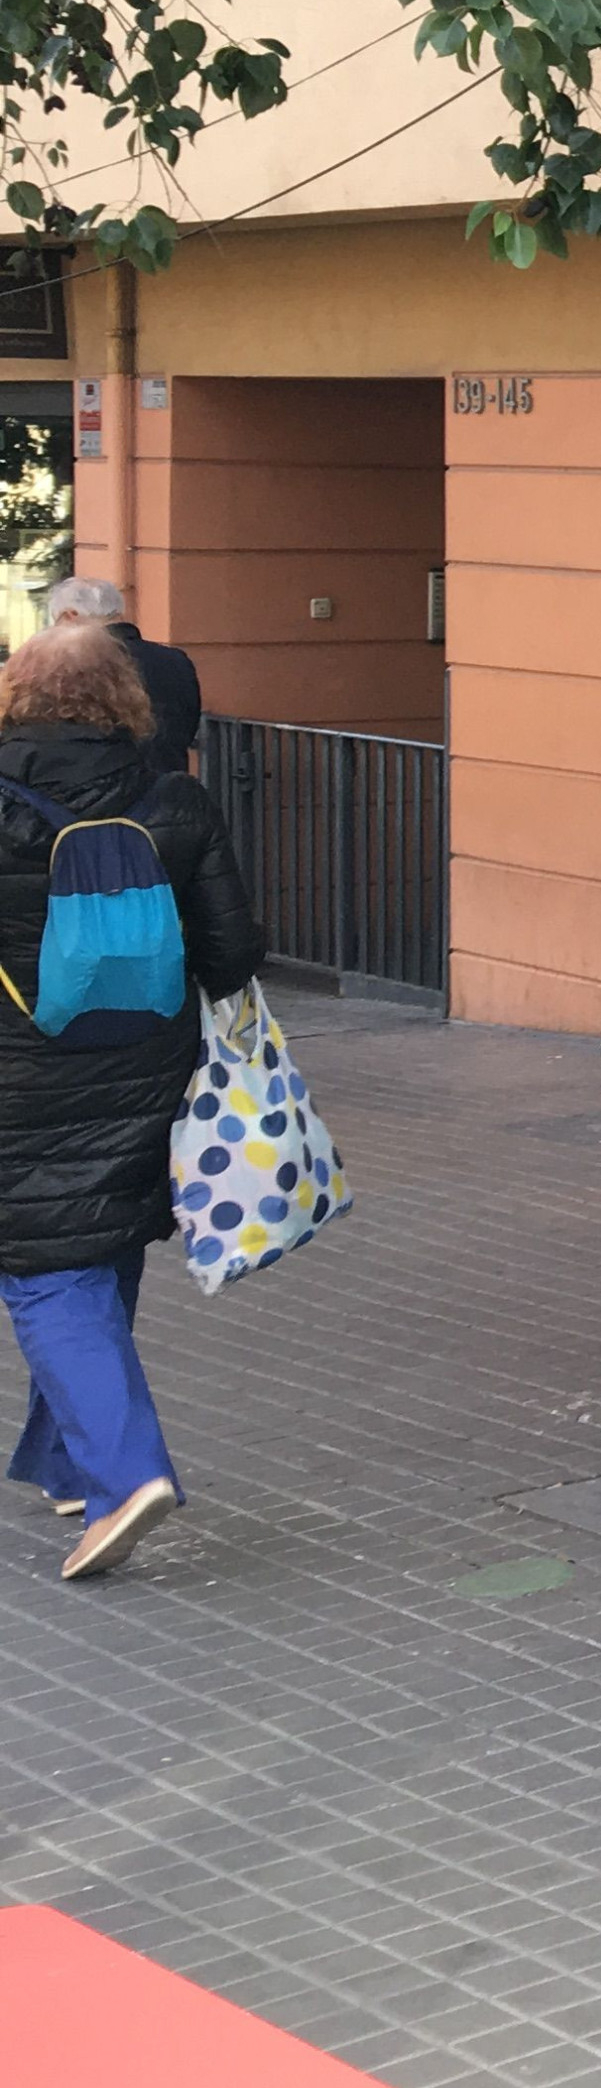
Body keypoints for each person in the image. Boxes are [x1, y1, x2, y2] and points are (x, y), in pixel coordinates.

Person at [0, 622, 267, 1579]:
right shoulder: (175, 800)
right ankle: (65, 1459)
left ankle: (126, 1475)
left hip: (19, 1074)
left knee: (42, 1269)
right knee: (97, 1237)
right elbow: (234, 954)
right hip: (149, 1065)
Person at [42, 576, 200, 771]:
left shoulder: (72, 665)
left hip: (101, 788)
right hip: (169, 786)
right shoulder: (175, 660)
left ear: (70, 615)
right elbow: (189, 725)